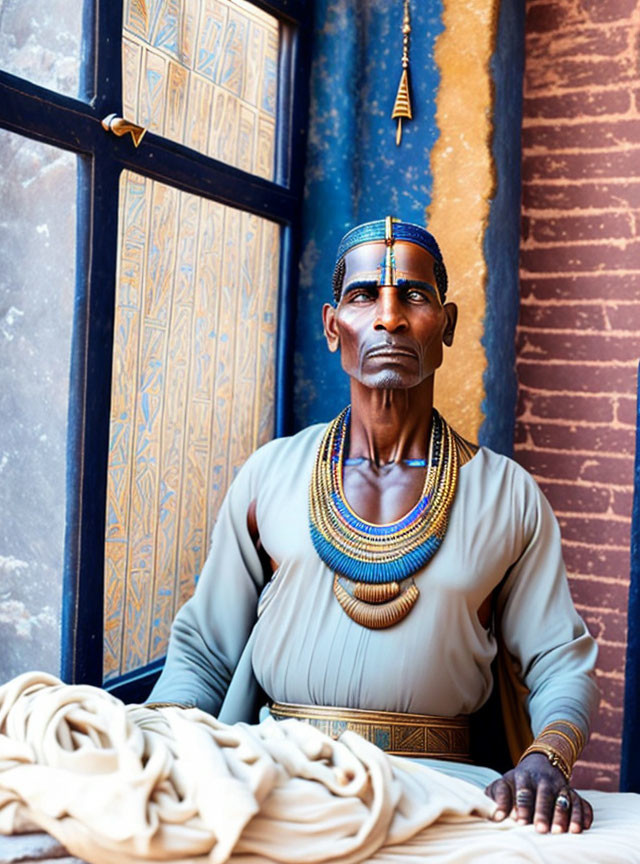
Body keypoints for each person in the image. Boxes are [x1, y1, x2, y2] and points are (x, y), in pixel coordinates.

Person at [149, 216, 599, 836]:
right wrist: (150, 745)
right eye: (364, 296)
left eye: (414, 296)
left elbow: (559, 662)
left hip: (444, 797)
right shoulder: (271, 475)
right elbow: (205, 651)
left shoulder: (507, 495)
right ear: (334, 326)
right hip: (275, 779)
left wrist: (546, 760)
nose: (389, 318)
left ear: (447, 324)